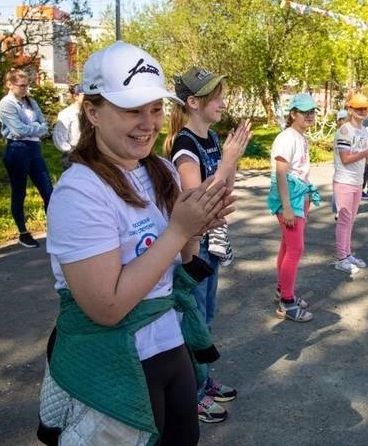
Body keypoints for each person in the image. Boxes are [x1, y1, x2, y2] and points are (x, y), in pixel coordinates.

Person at [38, 41, 233, 446]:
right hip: (114, 359)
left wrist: (197, 225)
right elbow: (105, 307)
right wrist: (180, 229)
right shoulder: (80, 191)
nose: (148, 123)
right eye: (132, 109)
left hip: (169, 343)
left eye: (156, 108)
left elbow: (183, 258)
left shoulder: (159, 169)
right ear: (93, 111)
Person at [164, 66, 251, 423]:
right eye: (215, 96)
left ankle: (203, 380)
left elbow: (225, 189)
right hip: (193, 249)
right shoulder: (185, 146)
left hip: (213, 243)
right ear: (193, 102)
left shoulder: (211, 138)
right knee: (194, 322)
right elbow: (196, 202)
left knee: (207, 317)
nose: (222, 102)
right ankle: (193, 394)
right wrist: (228, 162)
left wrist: (230, 160)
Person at [267, 93, 321, 322]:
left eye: (312, 112)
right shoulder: (286, 138)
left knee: (288, 246)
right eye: (304, 112)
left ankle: (283, 290)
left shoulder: (300, 136)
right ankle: (287, 303)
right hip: (290, 199)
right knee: (296, 249)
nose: (310, 116)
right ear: (293, 114)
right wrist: (287, 207)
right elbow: (280, 172)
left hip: (299, 196)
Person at [0, 68, 54, 248]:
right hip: (17, 149)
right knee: (19, 191)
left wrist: (36, 128)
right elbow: (18, 130)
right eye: (21, 86)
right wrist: (37, 128)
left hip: (34, 148)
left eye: (27, 85)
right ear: (10, 85)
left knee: (48, 190)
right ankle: (23, 232)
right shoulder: (7, 104)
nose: (25, 89)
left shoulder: (30, 101)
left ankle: (55, 229)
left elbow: (44, 124)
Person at [333, 93, 368, 274]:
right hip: (344, 181)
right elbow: (346, 158)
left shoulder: (363, 131)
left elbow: (366, 160)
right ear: (350, 110)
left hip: (357, 181)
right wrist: (367, 152)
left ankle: (347, 254)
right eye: (359, 109)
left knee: (351, 221)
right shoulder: (344, 131)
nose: (363, 112)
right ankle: (341, 258)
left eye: (365, 109)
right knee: (344, 219)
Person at [52, 83, 83, 170]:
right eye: (84, 95)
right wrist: (70, 151)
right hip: (73, 154)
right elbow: (59, 137)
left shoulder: (89, 113)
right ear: (75, 96)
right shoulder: (66, 114)